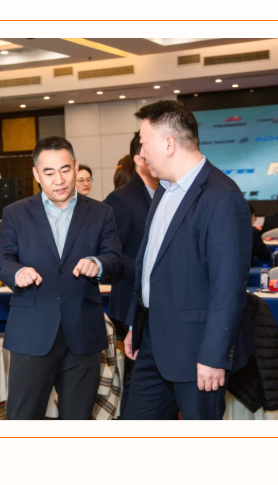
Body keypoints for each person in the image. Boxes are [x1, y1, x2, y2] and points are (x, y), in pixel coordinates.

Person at [123, 100, 251, 420]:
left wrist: (214, 356)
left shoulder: (222, 196)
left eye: (144, 143)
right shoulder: (164, 190)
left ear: (168, 144)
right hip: (152, 343)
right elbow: (149, 265)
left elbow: (228, 287)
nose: (141, 153)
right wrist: (135, 324)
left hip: (197, 353)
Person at [0, 137, 122, 420]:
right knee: (24, 418)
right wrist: (17, 272)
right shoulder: (16, 213)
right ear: (36, 174)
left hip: (83, 333)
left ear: (75, 167)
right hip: (31, 333)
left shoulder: (101, 212)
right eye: (49, 172)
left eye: (65, 169)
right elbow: (1, 259)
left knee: (77, 418)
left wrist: (97, 264)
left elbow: (114, 258)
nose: (59, 180)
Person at [104, 131, 159, 417]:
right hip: (130, 304)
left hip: (161, 304)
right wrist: (150, 269)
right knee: (136, 381)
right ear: (140, 159)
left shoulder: (168, 194)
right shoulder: (121, 200)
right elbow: (113, 255)